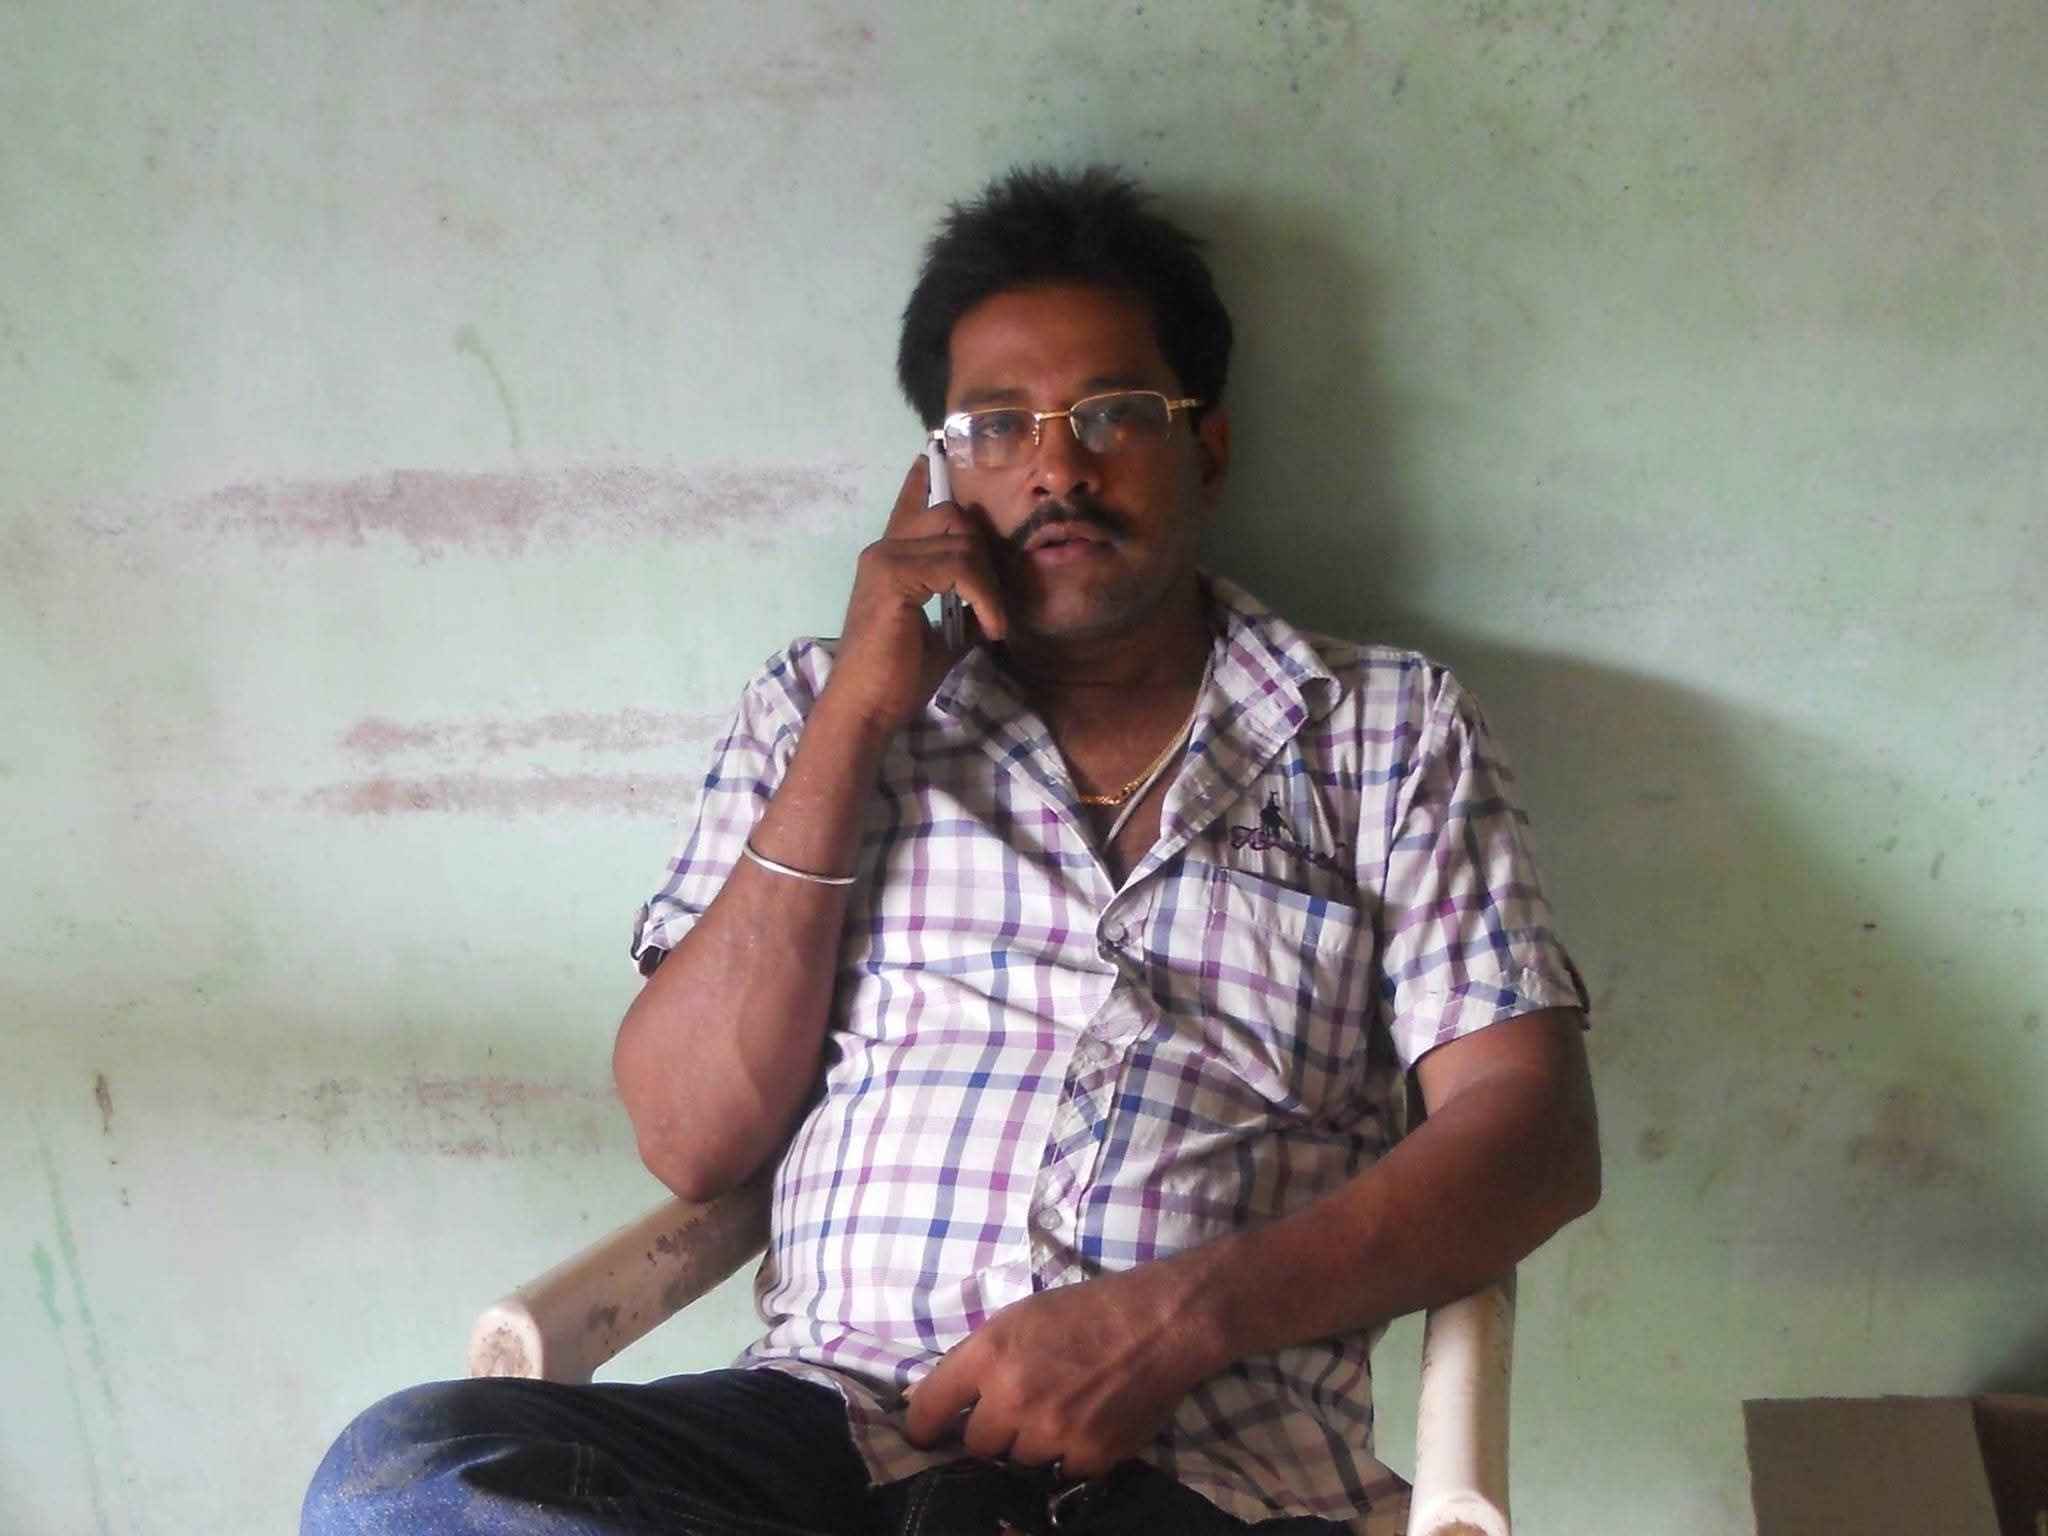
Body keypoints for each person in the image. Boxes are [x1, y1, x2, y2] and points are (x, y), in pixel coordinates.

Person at [304, 164, 1599, 1536]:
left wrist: (1179, 1318)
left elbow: (1533, 1137)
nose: (1057, 467)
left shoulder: (1385, 728)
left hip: (1200, 1465)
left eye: (1113, 413)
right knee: (411, 1473)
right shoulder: (816, 712)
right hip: (827, 1428)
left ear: (1207, 450)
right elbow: (690, 1137)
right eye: (996, 426)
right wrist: (857, 723)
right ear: (937, 471)